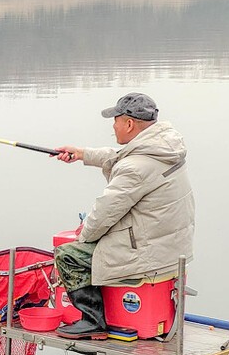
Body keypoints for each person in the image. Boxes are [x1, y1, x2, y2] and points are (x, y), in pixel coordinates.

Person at [51, 93, 194, 339]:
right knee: (89, 243)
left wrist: (82, 235)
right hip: (171, 247)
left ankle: (93, 321)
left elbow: (104, 212)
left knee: (68, 255)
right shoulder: (163, 147)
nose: (113, 126)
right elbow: (118, 157)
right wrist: (82, 153)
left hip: (148, 253)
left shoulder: (136, 168)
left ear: (129, 124)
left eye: (115, 120)